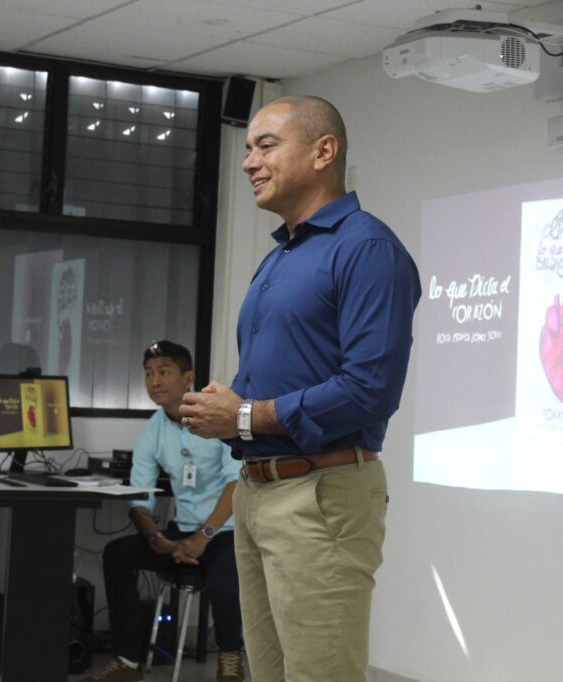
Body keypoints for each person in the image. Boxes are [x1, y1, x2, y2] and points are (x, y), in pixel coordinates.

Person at [178, 95, 421, 682]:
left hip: (321, 495)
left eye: (265, 145)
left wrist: (243, 416)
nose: (248, 162)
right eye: (246, 149)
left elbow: (369, 390)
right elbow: (277, 379)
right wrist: (222, 407)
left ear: (323, 151)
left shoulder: (367, 249)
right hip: (258, 494)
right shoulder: (280, 256)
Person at [82, 340, 245, 682]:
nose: (154, 381)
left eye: (164, 372)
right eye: (148, 373)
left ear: (189, 378)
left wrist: (204, 536)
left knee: (225, 577)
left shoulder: (215, 419)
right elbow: (139, 497)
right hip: (179, 534)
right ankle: (127, 662)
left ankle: (230, 658)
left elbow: (236, 485)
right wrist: (153, 536)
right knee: (117, 553)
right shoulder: (153, 429)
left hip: (222, 533)